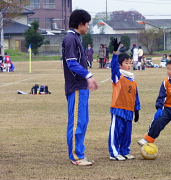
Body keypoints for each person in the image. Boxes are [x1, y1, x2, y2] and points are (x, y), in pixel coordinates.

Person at [62, 9, 98, 166]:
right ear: (81, 24)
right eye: (88, 24)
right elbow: (71, 62)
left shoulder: (77, 38)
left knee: (83, 121)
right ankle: (76, 156)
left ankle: (80, 153)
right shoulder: (70, 39)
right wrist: (88, 75)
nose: (88, 27)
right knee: (77, 122)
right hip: (76, 87)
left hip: (82, 87)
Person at [108, 38, 141, 161]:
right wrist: (115, 53)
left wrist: (137, 110)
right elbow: (113, 68)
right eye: (127, 63)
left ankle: (125, 151)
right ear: (121, 64)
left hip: (129, 110)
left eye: (130, 63)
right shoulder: (118, 76)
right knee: (117, 131)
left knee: (127, 133)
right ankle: (114, 153)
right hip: (118, 109)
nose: (129, 65)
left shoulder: (133, 80)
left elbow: (136, 96)